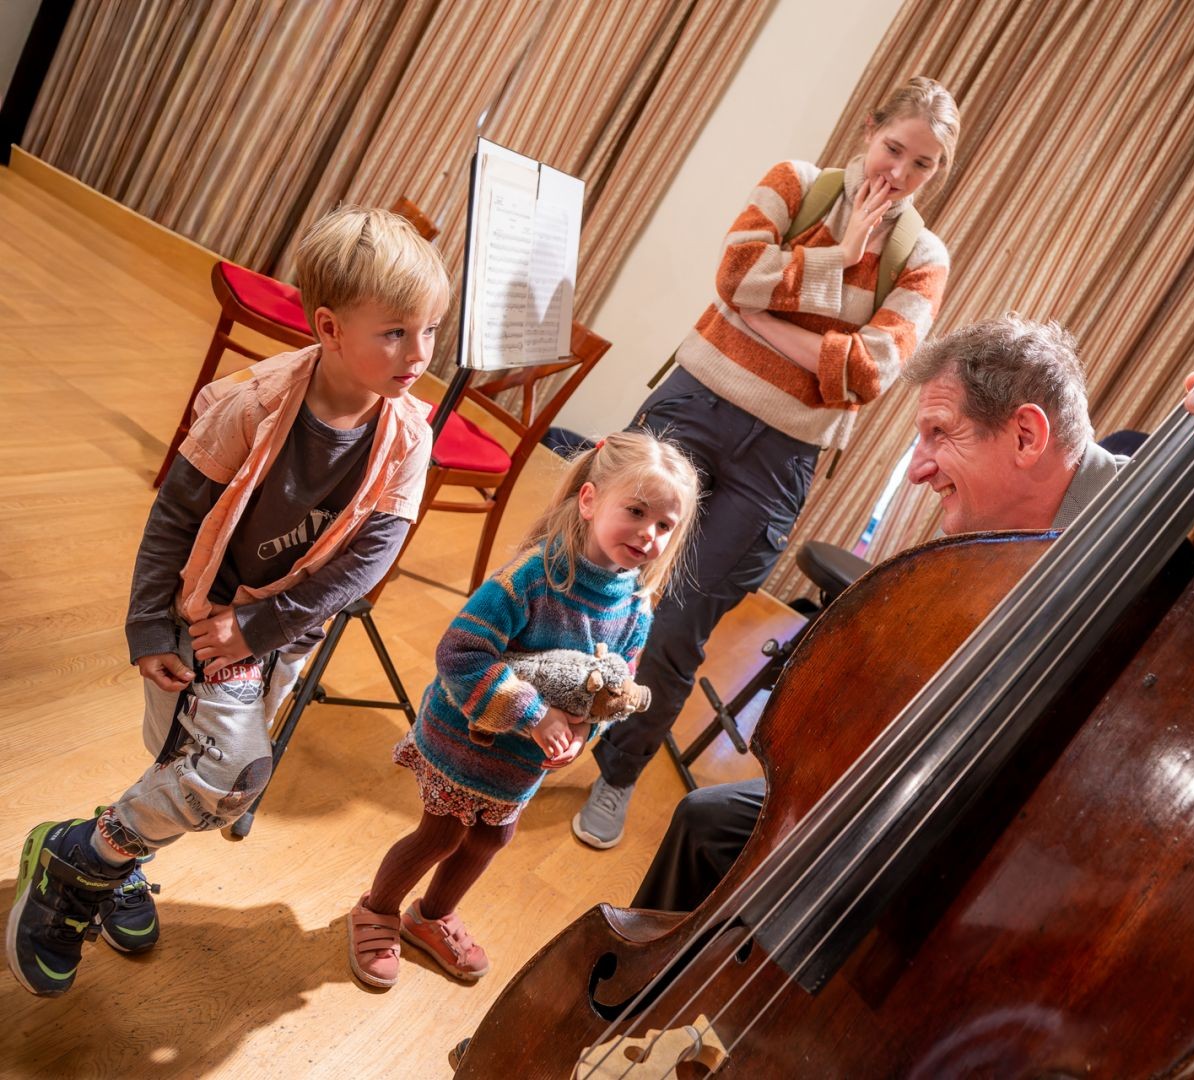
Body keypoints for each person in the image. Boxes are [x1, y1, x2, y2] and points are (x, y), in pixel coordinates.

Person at [632, 314, 1194, 913]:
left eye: (938, 434)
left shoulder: (1192, 538)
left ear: (1026, 434)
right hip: (935, 802)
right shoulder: (982, 538)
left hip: (1050, 873)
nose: (919, 468)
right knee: (708, 825)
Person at [6, 207, 448, 997]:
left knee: (194, 766)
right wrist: (151, 625)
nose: (420, 355)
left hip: (277, 633)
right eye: (395, 333)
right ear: (329, 328)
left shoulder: (409, 437)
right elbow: (175, 515)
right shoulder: (254, 405)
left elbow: (366, 563)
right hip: (202, 617)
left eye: (430, 331)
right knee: (225, 772)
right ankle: (82, 861)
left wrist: (260, 628)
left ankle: (112, 856)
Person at [572, 76, 961, 849]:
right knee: (592, 564)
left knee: (681, 622)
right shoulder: (793, 184)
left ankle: (617, 772)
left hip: (781, 457)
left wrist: (759, 316)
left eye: (922, 165)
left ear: (937, 171)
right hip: (693, 407)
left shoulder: (923, 259)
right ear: (869, 129)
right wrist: (837, 260)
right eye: (892, 149)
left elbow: (870, 373)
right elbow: (732, 278)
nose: (898, 173)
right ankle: (524, 709)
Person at [345, 431, 700, 988]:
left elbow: (612, 689)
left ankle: (430, 917)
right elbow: (460, 652)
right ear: (589, 501)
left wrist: (582, 733)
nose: (648, 534)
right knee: (440, 835)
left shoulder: (636, 608)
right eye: (635, 511)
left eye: (664, 525)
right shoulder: (533, 577)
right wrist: (536, 716)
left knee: (492, 838)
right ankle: (377, 910)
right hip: (464, 737)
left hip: (520, 764)